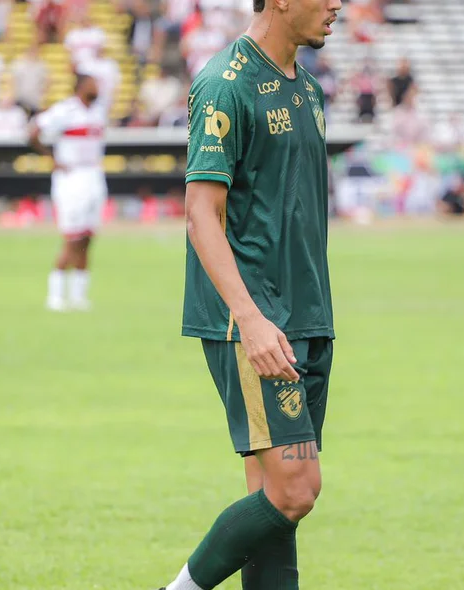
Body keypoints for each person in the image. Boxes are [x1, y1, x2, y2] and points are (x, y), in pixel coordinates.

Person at [161, 0, 341, 588]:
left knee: (273, 502)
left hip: (309, 315)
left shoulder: (309, 90)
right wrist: (251, 317)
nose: (338, 4)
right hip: (255, 321)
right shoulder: (223, 85)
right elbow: (200, 216)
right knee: (296, 490)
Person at [30, 74, 107, 312]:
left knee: (87, 237)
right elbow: (33, 131)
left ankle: (79, 296)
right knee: (71, 238)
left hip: (93, 174)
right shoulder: (65, 110)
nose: (97, 87)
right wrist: (52, 160)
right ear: (81, 87)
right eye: (93, 83)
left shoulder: (98, 112)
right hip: (71, 177)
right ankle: (55, 295)